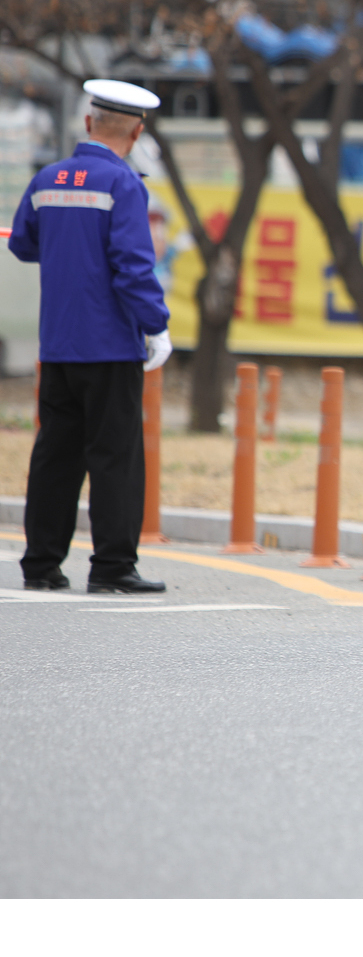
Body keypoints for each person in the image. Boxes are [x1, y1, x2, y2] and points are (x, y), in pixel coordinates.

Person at [9, 80, 174, 594]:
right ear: (137, 132)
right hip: (110, 344)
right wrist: (156, 324)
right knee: (115, 457)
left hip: (58, 343)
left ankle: (41, 565)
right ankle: (112, 568)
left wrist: (68, 245)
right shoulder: (123, 184)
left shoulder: (46, 178)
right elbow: (132, 267)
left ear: (88, 123)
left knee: (55, 455)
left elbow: (22, 244)